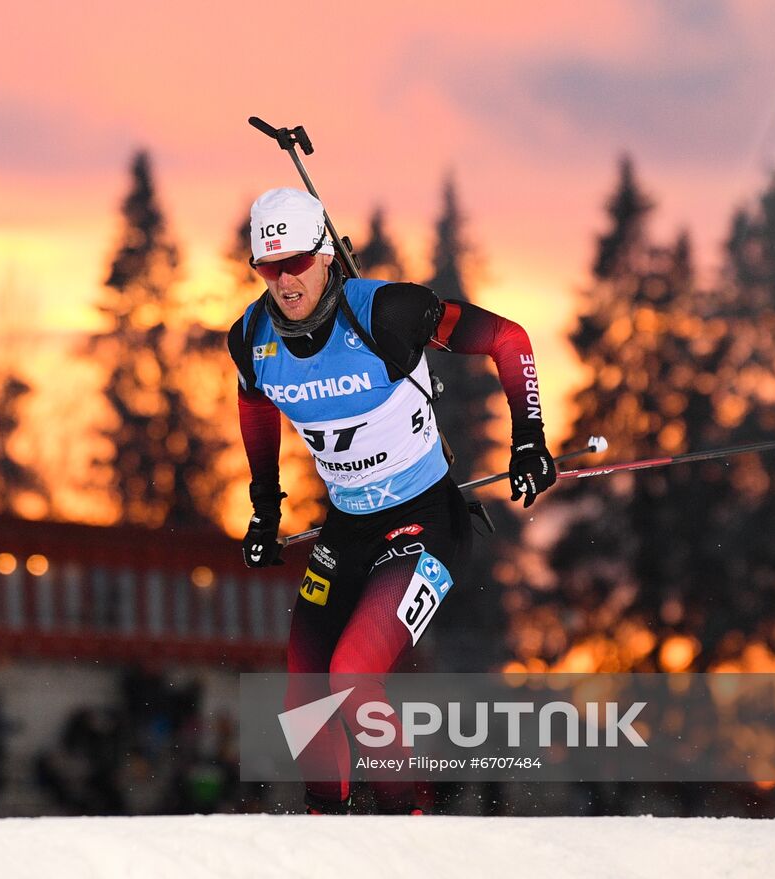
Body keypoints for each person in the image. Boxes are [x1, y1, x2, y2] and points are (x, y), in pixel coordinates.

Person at [226, 187, 557, 815]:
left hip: (425, 522)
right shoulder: (250, 337)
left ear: (324, 254)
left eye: (295, 262)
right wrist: (265, 509)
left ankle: (409, 826)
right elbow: (254, 406)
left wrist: (529, 441)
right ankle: (328, 829)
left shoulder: (387, 313)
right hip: (347, 528)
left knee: (352, 678)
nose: (284, 281)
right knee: (303, 697)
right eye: (268, 268)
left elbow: (509, 340)